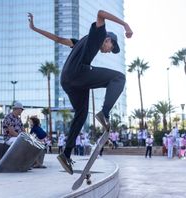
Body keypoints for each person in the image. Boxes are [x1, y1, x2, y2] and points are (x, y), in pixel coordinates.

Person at [54, 10, 132, 175]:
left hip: (68, 81)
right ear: (108, 40)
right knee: (119, 78)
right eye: (111, 47)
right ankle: (104, 113)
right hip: (79, 73)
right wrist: (125, 25)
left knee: (81, 114)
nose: (109, 51)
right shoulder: (99, 34)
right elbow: (100, 13)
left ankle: (66, 154)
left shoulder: (80, 41)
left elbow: (59, 39)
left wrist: (34, 28)